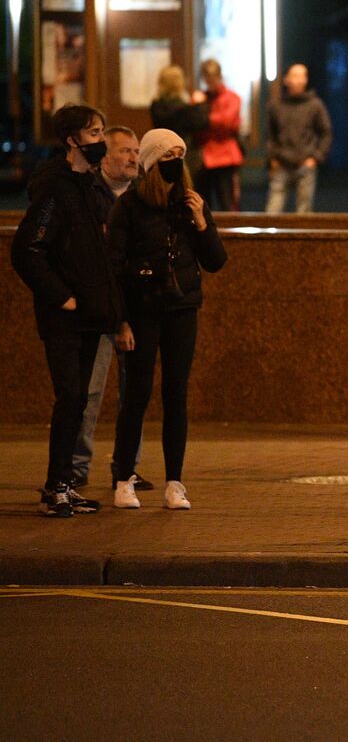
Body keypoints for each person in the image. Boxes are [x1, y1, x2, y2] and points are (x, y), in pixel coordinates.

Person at [109, 129, 227, 510]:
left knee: (176, 394)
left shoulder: (190, 204)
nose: (177, 162)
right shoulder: (130, 207)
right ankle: (123, 478)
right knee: (137, 396)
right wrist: (121, 322)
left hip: (181, 309)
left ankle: (175, 482)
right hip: (142, 311)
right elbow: (115, 268)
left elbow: (215, 261)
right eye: (168, 155)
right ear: (151, 163)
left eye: (181, 153)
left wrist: (201, 222)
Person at [11, 104, 119, 517]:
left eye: (102, 131)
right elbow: (27, 249)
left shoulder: (90, 186)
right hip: (65, 315)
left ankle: (64, 484)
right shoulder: (55, 187)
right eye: (93, 133)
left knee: (80, 400)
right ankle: (56, 485)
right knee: (71, 395)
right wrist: (62, 296)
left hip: (90, 312)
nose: (100, 140)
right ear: (72, 140)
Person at [73, 125, 152, 492]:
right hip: (100, 311)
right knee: (90, 392)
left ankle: (126, 468)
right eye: (125, 151)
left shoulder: (144, 197)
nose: (134, 157)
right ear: (105, 156)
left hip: (137, 309)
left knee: (133, 393)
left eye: (137, 151)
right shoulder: (88, 195)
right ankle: (76, 467)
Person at [266, 63, 332, 214]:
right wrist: (273, 159)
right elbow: (270, 135)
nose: (299, 80)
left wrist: (315, 157)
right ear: (286, 79)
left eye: (302, 76)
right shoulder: (276, 105)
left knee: (304, 212)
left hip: (305, 163)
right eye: (295, 76)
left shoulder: (315, 105)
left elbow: (325, 133)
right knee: (272, 211)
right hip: (281, 163)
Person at [194, 58, 244, 212]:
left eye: (213, 79)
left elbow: (227, 122)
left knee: (227, 203)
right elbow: (192, 122)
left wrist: (204, 114)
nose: (210, 83)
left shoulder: (231, 97)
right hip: (204, 156)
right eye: (207, 80)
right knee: (202, 203)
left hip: (225, 156)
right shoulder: (201, 97)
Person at [150, 65, 209, 168]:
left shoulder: (155, 105)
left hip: (162, 152)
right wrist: (199, 104)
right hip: (184, 153)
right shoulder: (184, 108)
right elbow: (202, 123)